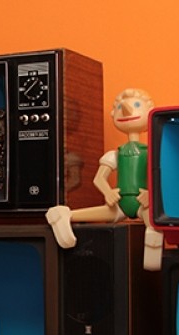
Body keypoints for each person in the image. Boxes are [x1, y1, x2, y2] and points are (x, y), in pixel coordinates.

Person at [46, 88, 164, 271]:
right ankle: (62, 214)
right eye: (119, 108)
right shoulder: (115, 154)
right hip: (119, 203)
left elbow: (161, 176)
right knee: (93, 214)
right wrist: (108, 192)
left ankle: (152, 261)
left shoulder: (150, 152)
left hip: (143, 205)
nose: (126, 111)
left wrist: (151, 194)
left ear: (150, 112)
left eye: (137, 105)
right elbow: (99, 178)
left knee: (154, 224)